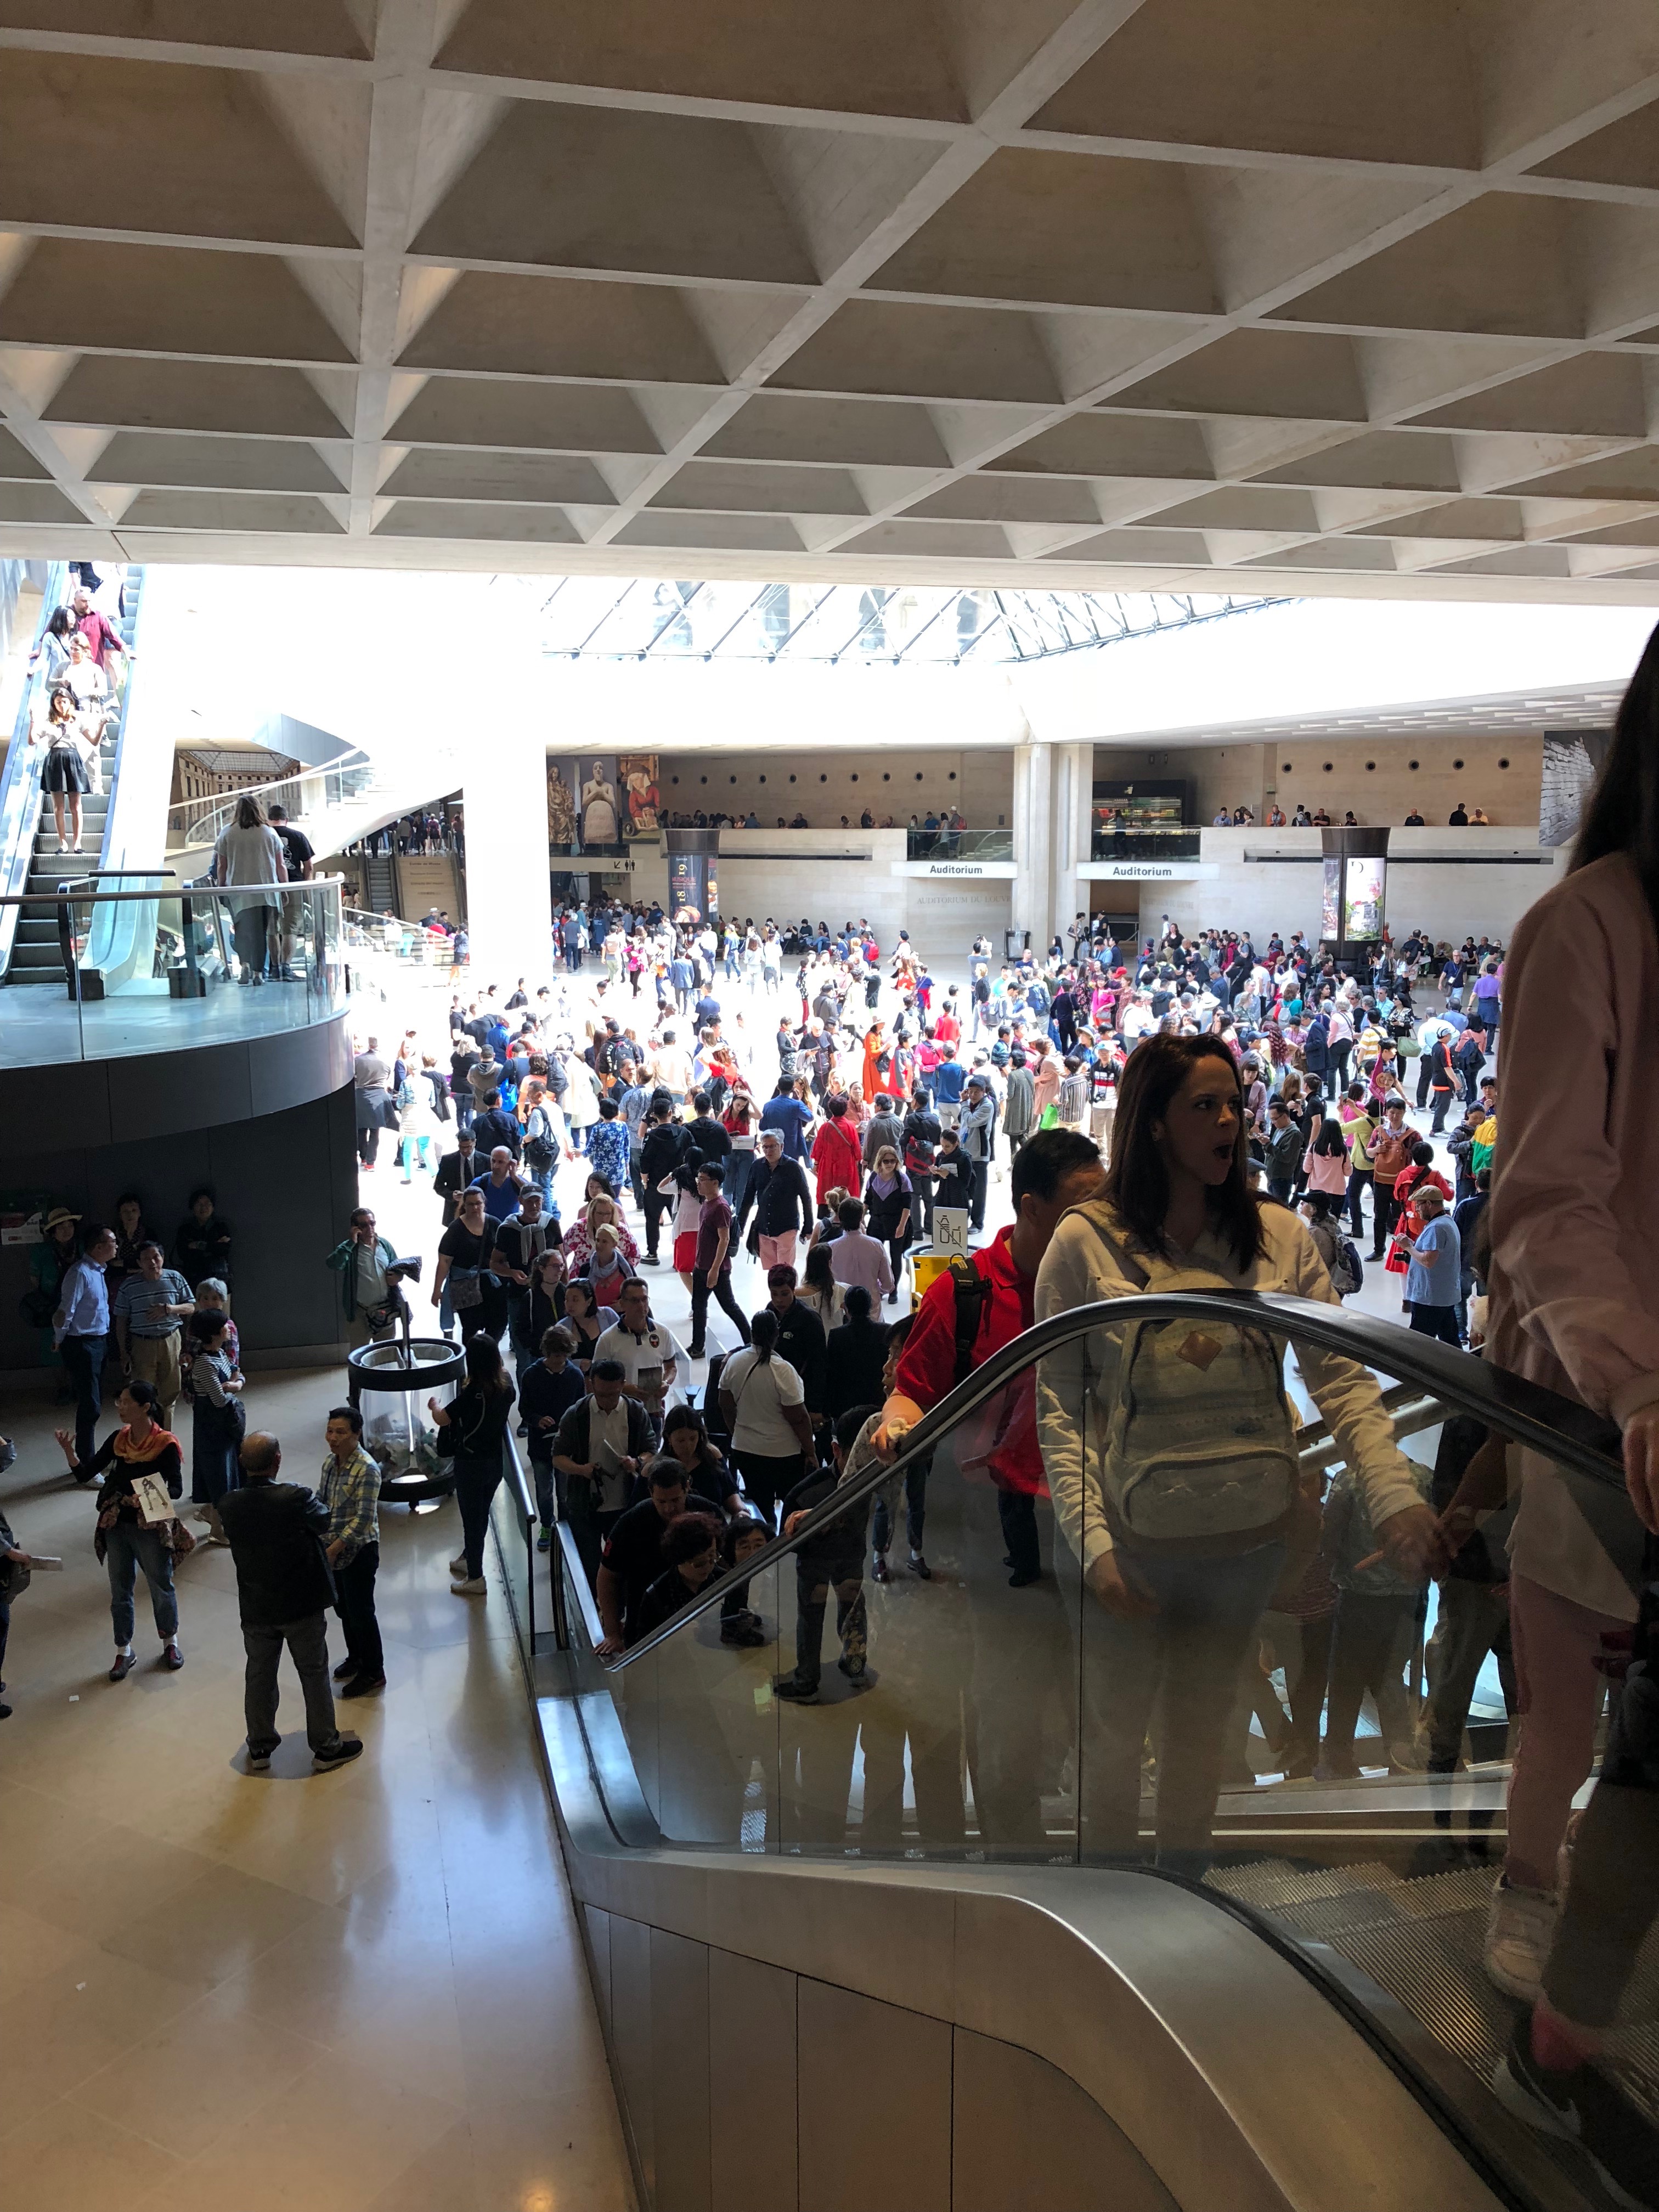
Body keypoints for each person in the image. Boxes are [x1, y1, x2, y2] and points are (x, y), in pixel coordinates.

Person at [1034, 1034, 1438, 1867]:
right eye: (1204, 1105)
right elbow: (1059, 1411)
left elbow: (1343, 1382)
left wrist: (1393, 1495)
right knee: (1112, 1741)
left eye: (1235, 1104)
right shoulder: (1083, 1244)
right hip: (1129, 1543)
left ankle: (1180, 1886)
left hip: (1243, 1545)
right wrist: (1095, 1546)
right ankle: (1108, 1902)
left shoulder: (1280, 1238)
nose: (1229, 1121)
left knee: (1201, 1736)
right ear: (1152, 1124)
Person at [219, 1431, 363, 1772]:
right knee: (313, 1674)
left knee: (259, 1676)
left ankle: (260, 1748)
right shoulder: (295, 1497)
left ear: (242, 1463)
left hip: (256, 1606)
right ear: (278, 1461)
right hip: (301, 1603)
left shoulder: (229, 1504)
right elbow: (324, 1520)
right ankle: (326, 1747)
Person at [55, 1379, 186, 1679]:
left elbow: (176, 1488)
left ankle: (170, 1642)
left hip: (149, 1526)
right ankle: (123, 1651)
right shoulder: (119, 1439)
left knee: (161, 1585)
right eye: (120, 1402)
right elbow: (86, 1473)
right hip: (117, 1525)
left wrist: (149, 1494)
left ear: (145, 1408)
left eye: (126, 1402)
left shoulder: (165, 1444)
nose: (120, 1407)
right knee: (120, 1590)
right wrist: (69, 1452)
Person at [771, 1405, 882, 1703]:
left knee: (844, 1611)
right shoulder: (808, 1493)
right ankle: (842, 1669)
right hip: (822, 1560)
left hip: (841, 1557)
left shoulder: (811, 1490)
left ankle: (818, 1676)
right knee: (826, 1614)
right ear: (836, 1450)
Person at [551, 1358, 652, 1584]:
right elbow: (558, 1458)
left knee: (622, 1564)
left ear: (623, 1385)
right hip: (586, 1505)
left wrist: (636, 1462)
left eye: (614, 1395)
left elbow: (651, 1451)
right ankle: (594, 1608)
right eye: (602, 1395)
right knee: (588, 1562)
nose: (608, 1401)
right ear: (591, 1385)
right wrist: (582, 1469)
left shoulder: (636, 1413)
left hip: (625, 1505)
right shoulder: (576, 1415)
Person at [432, 1334, 516, 1595]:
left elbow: (443, 1419)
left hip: (470, 1464)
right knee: (481, 1514)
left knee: (472, 1519)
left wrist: (434, 1405)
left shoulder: (473, 1392)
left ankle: (476, 1577)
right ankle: (469, 1558)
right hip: (494, 1462)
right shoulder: (507, 1385)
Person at [719, 1308, 817, 1531]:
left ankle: (769, 1532)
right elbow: (798, 1418)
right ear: (777, 1334)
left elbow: (725, 1404)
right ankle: (785, 1539)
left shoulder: (733, 1363)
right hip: (784, 1453)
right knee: (791, 1502)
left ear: (752, 1334)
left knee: (761, 1503)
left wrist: (737, 1432)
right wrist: (810, 1452)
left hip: (745, 1450)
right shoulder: (782, 1370)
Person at [315, 1403, 385, 1696]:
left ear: (357, 1434)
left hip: (358, 1552)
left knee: (361, 1613)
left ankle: (374, 1671)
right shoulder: (331, 1464)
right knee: (344, 1610)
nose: (333, 1438)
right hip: (333, 1550)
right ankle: (356, 1657)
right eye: (330, 1431)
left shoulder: (367, 1469)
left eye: (341, 1432)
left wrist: (335, 1548)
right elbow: (322, 1501)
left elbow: (363, 1520)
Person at [595, 1458, 693, 1652]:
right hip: (643, 1627)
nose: (669, 1509)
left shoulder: (705, 1513)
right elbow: (607, 1577)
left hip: (696, 1624)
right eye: (661, 1502)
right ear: (650, 1493)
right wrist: (613, 1633)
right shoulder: (631, 1523)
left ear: (687, 1488)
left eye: (675, 1500)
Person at [54, 1220, 116, 1468]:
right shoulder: (79, 1273)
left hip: (98, 1341)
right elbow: (64, 1312)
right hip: (81, 1344)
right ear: (99, 1247)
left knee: (95, 1402)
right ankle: (86, 1463)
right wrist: (58, 1340)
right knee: (90, 1406)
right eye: (113, 1243)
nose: (117, 1247)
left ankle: (90, 1456)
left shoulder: (98, 1270)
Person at [112, 1240, 194, 1427]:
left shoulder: (175, 1278)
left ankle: (166, 1438)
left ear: (163, 1258)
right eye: (146, 1259)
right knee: (142, 1394)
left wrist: (169, 1309)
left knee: (170, 1392)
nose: (152, 1262)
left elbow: (191, 1307)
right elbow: (121, 1321)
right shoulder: (129, 1286)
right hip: (142, 1343)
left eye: (156, 1257)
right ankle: (145, 1438)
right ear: (139, 1263)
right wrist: (123, 1352)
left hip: (171, 1339)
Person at [595, 1276, 684, 1441]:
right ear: (622, 1304)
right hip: (619, 1411)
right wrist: (624, 1389)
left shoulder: (662, 1333)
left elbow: (671, 1366)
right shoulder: (608, 1339)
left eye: (644, 1299)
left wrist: (666, 1383)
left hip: (653, 1411)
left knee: (652, 1457)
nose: (641, 1306)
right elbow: (597, 1379)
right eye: (635, 1301)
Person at [521, 1327, 588, 1546]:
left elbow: (581, 1409)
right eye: (555, 1356)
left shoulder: (575, 1375)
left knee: (564, 1493)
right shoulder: (531, 1375)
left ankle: (566, 1529)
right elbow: (524, 1409)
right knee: (544, 1491)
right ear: (546, 1353)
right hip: (540, 1447)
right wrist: (537, 1419)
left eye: (564, 1356)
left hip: (566, 1447)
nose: (560, 1361)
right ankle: (547, 1526)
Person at [212, 793, 287, 985]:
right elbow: (280, 865)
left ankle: (244, 965)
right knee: (260, 932)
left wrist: (221, 887)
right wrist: (285, 888)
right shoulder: (269, 833)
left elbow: (222, 865)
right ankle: (257, 974)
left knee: (241, 930)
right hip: (266, 891)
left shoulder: (227, 833)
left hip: (238, 892)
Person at [184, 1308, 244, 1542]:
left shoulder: (219, 1354)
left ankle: (216, 1518)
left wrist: (234, 1384)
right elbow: (218, 1399)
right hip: (212, 1427)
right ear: (218, 1332)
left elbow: (237, 1375)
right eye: (226, 1326)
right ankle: (218, 1530)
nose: (230, 1329)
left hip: (223, 1426)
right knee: (218, 1475)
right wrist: (234, 1387)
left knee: (226, 1472)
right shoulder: (205, 1364)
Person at [687, 1162, 751, 1360]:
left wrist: (714, 1270)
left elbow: (724, 1240)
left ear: (715, 1183)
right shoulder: (707, 1203)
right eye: (698, 1179)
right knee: (698, 1307)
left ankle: (752, 1342)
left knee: (729, 1306)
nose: (699, 1183)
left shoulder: (721, 1207)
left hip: (717, 1269)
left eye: (703, 1180)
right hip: (701, 1266)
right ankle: (698, 1346)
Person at [634, 1510, 726, 1642]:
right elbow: (644, 1646)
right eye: (700, 1563)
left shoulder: (725, 1580)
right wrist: (674, 1637)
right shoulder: (657, 1595)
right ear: (679, 1560)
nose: (709, 1566)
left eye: (713, 1556)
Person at [738, 1126, 814, 1276]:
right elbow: (748, 1197)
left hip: (787, 1226)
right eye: (765, 1147)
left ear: (782, 1146)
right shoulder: (757, 1167)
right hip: (764, 1227)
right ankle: (776, 1298)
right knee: (772, 1271)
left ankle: (789, 1297)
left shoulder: (793, 1168)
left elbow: (806, 1197)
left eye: (772, 1146)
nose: (768, 1150)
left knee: (786, 1271)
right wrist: (740, 1225)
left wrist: (808, 1227)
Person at [326, 1206, 401, 1346]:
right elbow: (333, 1264)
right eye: (364, 1225)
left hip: (385, 1310)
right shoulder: (350, 1249)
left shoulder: (384, 1245)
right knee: (359, 1356)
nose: (370, 1228)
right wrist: (351, 1243)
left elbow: (398, 1267)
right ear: (356, 1228)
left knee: (387, 1354)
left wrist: (397, 1277)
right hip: (360, 1312)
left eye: (372, 1223)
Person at [31, 685, 91, 852]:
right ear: (54, 704)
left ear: (70, 702)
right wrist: (33, 722)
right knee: (58, 807)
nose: (62, 705)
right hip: (55, 762)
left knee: (76, 806)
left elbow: (93, 740)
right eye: (58, 702)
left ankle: (77, 843)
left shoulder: (77, 721)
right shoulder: (48, 723)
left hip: (73, 760)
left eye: (64, 701)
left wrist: (102, 726)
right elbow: (32, 740)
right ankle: (63, 843)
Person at [1404, 1186, 1462, 1346]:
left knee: (1417, 1345)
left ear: (1429, 1204)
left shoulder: (1436, 1228)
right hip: (1444, 1295)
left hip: (1430, 1299)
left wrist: (1408, 1247)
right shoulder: (1447, 1221)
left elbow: (1428, 1261)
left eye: (1418, 1205)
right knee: (1450, 1343)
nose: (1417, 1210)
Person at [823, 1284, 889, 1423]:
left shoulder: (837, 1336)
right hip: (877, 1400)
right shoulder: (885, 1331)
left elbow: (832, 1374)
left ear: (846, 1308)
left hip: (846, 1405)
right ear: (870, 1306)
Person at [826, 1197, 895, 1304]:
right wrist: (875, 1289)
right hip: (872, 1311)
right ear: (861, 1218)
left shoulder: (831, 1248)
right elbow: (888, 1285)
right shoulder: (876, 1245)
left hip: (842, 1311)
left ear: (839, 1219)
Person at [173, 1187, 232, 1290]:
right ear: (193, 1207)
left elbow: (224, 1250)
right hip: (193, 1278)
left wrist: (197, 1245)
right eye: (199, 1204)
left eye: (207, 1204)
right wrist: (213, 1246)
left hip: (219, 1277)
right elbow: (183, 1254)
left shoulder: (221, 1227)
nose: (203, 1208)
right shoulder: (185, 1229)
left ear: (213, 1207)